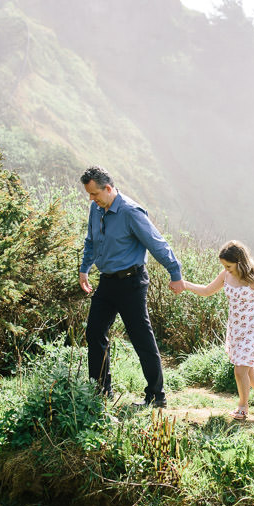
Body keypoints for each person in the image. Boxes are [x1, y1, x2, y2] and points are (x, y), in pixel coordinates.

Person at [78, 165, 184, 408]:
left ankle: (156, 396)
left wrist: (174, 272)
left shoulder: (130, 211)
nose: (92, 199)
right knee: (94, 332)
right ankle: (100, 392)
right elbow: (91, 241)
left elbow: (157, 243)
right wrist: (85, 268)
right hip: (106, 283)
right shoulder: (97, 209)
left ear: (108, 188)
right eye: (89, 195)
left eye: (94, 194)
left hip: (132, 283)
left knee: (141, 338)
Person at [182, 241, 254, 422]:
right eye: (224, 266)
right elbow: (207, 290)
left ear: (240, 262)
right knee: (247, 371)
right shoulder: (226, 275)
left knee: (240, 370)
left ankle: (242, 407)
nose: (226, 269)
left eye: (229, 266)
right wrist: (185, 284)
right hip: (236, 329)